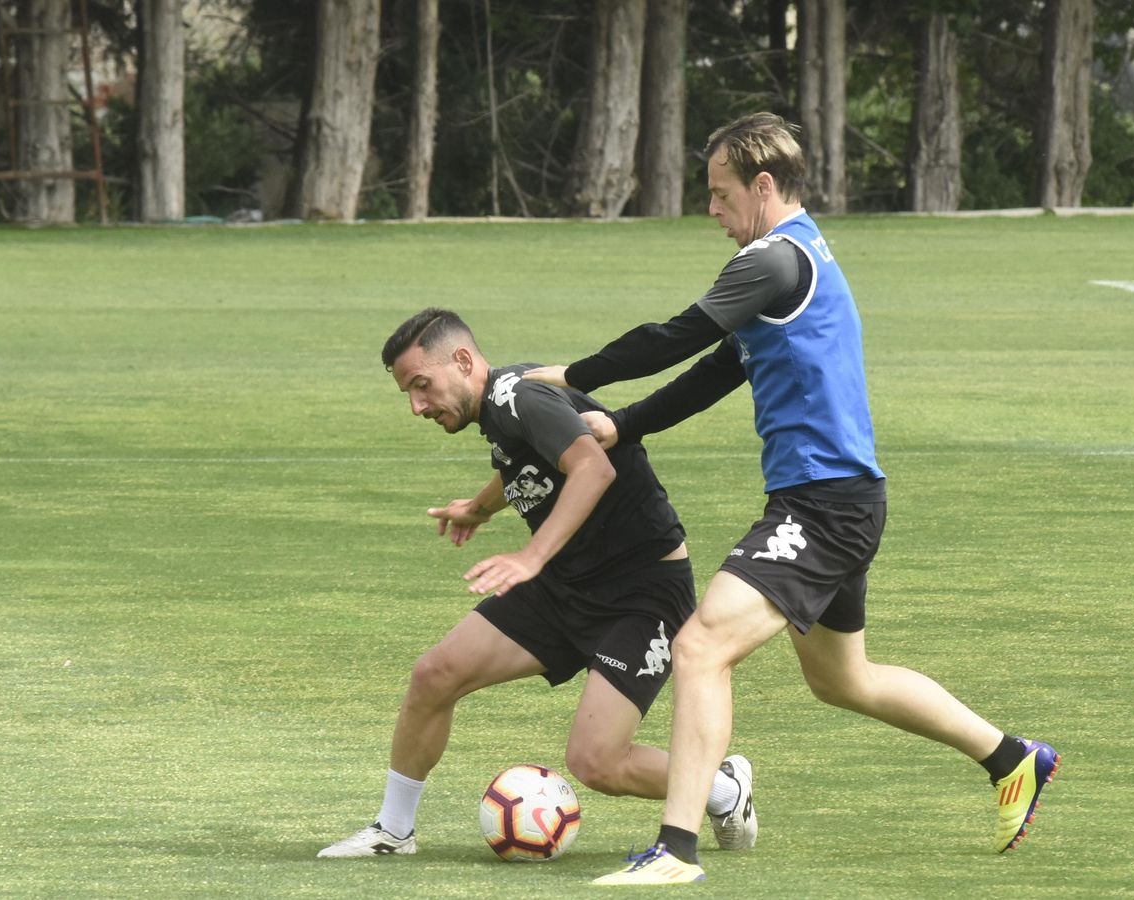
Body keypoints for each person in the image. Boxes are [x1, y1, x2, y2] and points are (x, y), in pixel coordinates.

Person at [521, 113, 1059, 886]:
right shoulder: (792, 262)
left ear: (763, 187)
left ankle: (675, 849)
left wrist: (574, 378)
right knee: (843, 679)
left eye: (719, 193)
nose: (711, 210)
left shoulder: (771, 261)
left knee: (701, 646)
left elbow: (672, 336)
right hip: (839, 500)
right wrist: (624, 425)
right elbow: (715, 370)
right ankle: (1014, 760)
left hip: (822, 507)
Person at [316, 308, 759, 859]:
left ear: (461, 360)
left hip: (640, 597)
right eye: (409, 392)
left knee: (597, 761)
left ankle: (723, 788)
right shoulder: (501, 413)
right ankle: (393, 830)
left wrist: (531, 554)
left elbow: (593, 467)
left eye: (421, 386)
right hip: (564, 586)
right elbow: (525, 465)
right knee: (436, 673)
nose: (418, 406)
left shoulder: (519, 396)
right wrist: (478, 508)